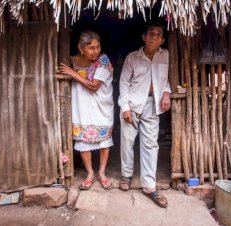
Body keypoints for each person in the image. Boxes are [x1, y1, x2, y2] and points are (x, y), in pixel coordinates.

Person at [118, 23, 171, 208]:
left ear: (162, 40)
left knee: (150, 145)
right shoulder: (133, 57)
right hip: (132, 104)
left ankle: (149, 186)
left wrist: (167, 92)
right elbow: (124, 83)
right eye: (150, 34)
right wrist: (124, 107)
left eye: (158, 34)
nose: (154, 37)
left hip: (153, 104)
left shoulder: (166, 56)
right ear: (143, 37)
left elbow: (167, 80)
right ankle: (126, 174)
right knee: (127, 141)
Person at [58, 30, 114, 190]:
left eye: (98, 46)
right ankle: (90, 173)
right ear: (81, 48)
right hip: (80, 107)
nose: (96, 51)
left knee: (104, 141)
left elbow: (94, 86)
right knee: (83, 140)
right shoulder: (72, 61)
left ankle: (102, 173)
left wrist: (72, 74)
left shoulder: (103, 60)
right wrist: (70, 71)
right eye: (91, 48)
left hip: (101, 106)